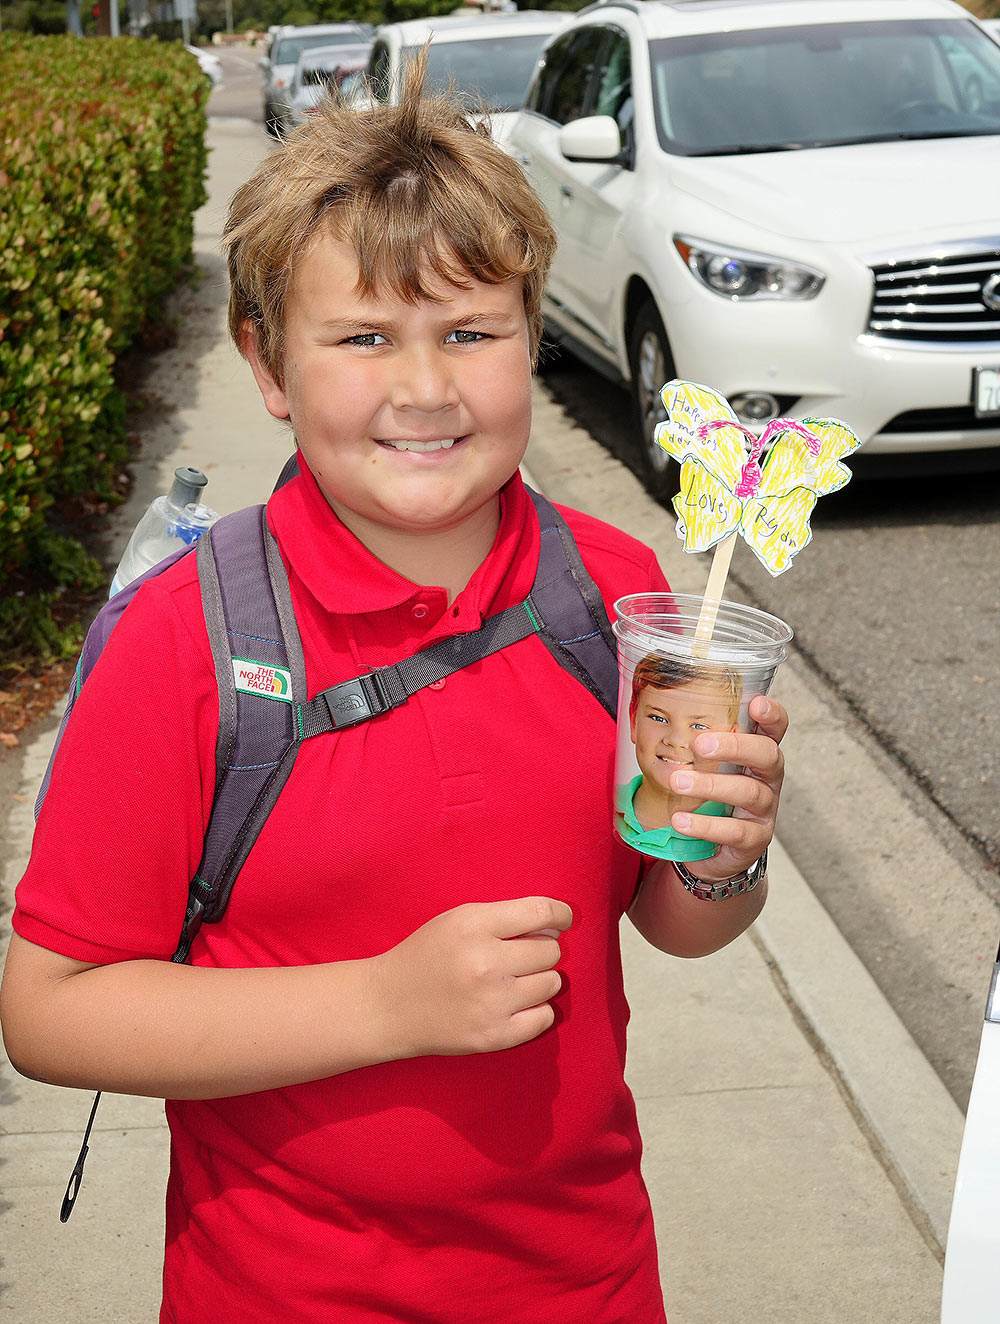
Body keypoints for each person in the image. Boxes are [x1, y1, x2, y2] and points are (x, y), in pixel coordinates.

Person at [0, 56, 787, 1324]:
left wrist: (723, 850)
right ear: (267, 366)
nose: (425, 388)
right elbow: (52, 1013)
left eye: (471, 333)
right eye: (364, 337)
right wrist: (383, 1003)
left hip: (586, 1279)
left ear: (531, 337)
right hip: (280, 1291)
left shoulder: (613, 595)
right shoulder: (185, 643)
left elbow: (674, 917)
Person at [615, 653, 743, 861]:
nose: (676, 740)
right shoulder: (603, 802)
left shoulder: (730, 824)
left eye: (699, 726)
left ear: (731, 740)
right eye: (658, 718)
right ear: (633, 721)